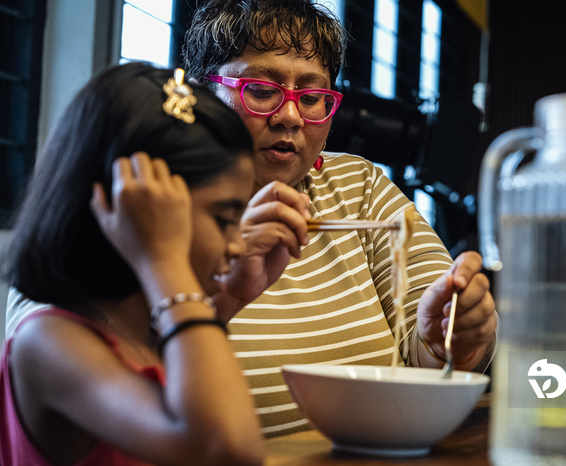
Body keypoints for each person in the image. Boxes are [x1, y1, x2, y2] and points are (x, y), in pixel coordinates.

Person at [7, 0, 498, 438]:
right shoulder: (142, 221)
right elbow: (192, 424)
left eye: (312, 97)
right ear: (199, 97)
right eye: (261, 89)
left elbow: (439, 348)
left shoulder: (360, 187)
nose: (289, 117)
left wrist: (454, 336)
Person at [1, 62, 269, 465]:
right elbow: (227, 448)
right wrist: (164, 260)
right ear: (139, 209)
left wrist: (228, 300)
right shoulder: (50, 342)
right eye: (224, 219)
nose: (236, 244)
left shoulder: (145, 331)